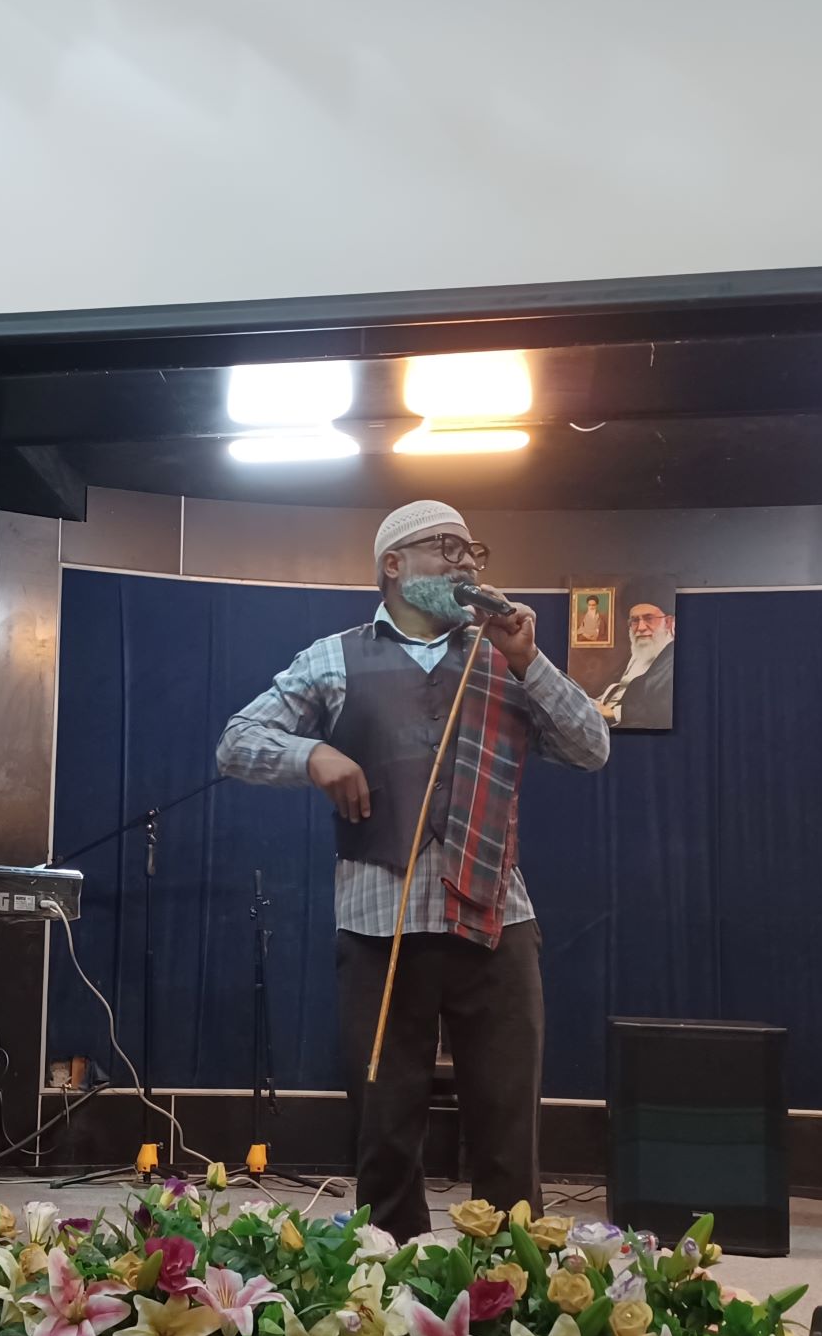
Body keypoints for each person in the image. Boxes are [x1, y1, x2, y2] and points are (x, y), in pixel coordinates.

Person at [216, 500, 609, 1240]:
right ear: (392, 564)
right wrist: (312, 754)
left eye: (471, 552)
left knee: (507, 1121)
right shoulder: (333, 657)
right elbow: (237, 741)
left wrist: (529, 661)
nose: (464, 564)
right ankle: (386, 1280)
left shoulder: (502, 654)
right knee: (384, 1123)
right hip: (378, 922)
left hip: (496, 918)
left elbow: (592, 748)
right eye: (444, 548)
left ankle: (509, 1277)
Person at [594, 594, 676, 728]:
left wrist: (613, 713)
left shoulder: (672, 660)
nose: (641, 627)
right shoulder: (638, 653)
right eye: (635, 620)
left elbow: (660, 709)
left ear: (668, 622)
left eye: (649, 618)